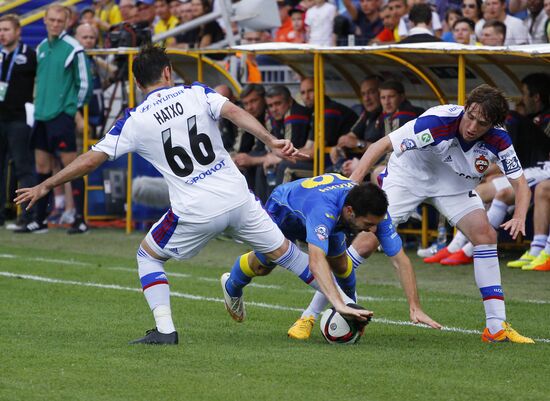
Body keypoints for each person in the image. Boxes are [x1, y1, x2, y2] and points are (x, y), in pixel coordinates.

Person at [15, 45, 372, 345]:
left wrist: (46, 184)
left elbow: (91, 160)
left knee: (147, 255)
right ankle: (344, 303)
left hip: (196, 209)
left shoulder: (135, 119)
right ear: (169, 73)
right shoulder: (196, 92)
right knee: (289, 256)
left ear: (139, 84)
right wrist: (271, 141)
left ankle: (165, 330)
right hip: (239, 197)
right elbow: (234, 112)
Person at [346, 84, 535, 343]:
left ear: (493, 125)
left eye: (481, 123)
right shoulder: (437, 121)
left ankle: (496, 327)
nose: (472, 126)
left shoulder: (499, 139)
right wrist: (351, 183)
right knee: (369, 239)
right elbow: (381, 145)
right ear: (465, 108)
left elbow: (521, 184)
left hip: (453, 184)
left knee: (485, 234)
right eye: (470, 116)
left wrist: (520, 215)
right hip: (409, 177)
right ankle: (312, 313)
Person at [222, 175, 441, 339]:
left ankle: (350, 310)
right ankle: (231, 286)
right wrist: (339, 302)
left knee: (341, 264)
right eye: (368, 225)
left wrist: (415, 306)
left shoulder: (372, 211)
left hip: (332, 220)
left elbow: (400, 260)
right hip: (285, 211)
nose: (374, 230)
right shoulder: (323, 210)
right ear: (350, 212)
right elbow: (315, 261)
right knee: (263, 266)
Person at [15, 4, 91, 235]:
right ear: (45, 21)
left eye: (61, 20)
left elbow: (85, 83)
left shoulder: (74, 48)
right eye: (52, 20)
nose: (56, 24)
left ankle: (80, 219)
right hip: (41, 116)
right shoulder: (40, 48)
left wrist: (70, 109)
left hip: (61, 117)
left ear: (67, 22)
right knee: (42, 168)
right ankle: (40, 220)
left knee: (71, 168)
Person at [0, 14, 36, 229]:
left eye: (6, 30)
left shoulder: (29, 55)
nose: (2, 34)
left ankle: (26, 215)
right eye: (0, 30)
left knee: (23, 167)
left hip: (19, 119)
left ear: (18, 32)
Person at [330, 75, 383, 168]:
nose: (367, 98)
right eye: (363, 94)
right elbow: (349, 137)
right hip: (366, 163)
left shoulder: (389, 115)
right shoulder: (367, 114)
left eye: (371, 92)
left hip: (380, 166)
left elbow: (386, 149)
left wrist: (358, 143)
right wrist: (339, 146)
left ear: (381, 93)